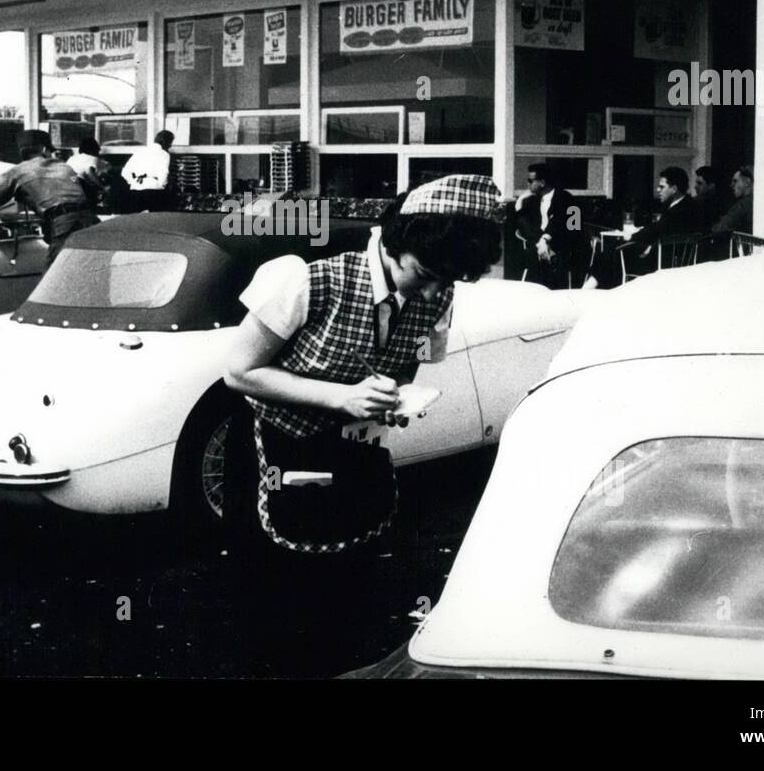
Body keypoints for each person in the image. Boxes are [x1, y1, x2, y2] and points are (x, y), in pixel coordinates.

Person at [222, 175, 501, 567]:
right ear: (395, 244)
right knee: (278, 583)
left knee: (352, 567)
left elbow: (406, 364)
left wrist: (393, 397)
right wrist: (342, 397)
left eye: (448, 280)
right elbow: (238, 372)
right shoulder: (308, 279)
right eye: (422, 275)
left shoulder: (438, 295)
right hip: (276, 445)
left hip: (356, 450)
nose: (432, 294)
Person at [0, 129, 97, 265]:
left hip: (64, 227)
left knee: (52, 287)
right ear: (43, 149)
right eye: (50, 150)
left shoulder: (16, 173)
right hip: (92, 223)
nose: (52, 154)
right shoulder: (64, 167)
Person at [585, 167, 699, 287]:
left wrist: (631, 236)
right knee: (614, 255)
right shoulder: (688, 205)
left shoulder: (676, 211)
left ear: (674, 189)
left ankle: (588, 289)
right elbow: (659, 228)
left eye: (662, 187)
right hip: (678, 261)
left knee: (612, 251)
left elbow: (655, 230)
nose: (657, 190)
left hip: (661, 262)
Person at [511, 162, 582, 289]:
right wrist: (520, 199)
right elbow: (518, 220)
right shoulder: (533, 200)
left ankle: (546, 253)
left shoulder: (564, 197)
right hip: (540, 244)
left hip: (561, 244)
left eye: (530, 180)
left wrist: (545, 239)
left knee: (531, 253)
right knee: (523, 221)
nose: (527, 184)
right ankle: (545, 253)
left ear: (542, 183)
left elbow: (566, 224)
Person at [120, 130, 174, 211]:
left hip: (136, 189)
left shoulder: (139, 151)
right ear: (168, 142)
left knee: (137, 221)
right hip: (154, 191)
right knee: (155, 221)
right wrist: (161, 185)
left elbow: (124, 172)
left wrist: (133, 181)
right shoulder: (164, 154)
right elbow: (163, 174)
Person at [711, 165, 754, 234]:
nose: (731, 185)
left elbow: (718, 228)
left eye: (735, 181)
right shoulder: (755, 202)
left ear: (747, 182)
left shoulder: (742, 205)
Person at [692, 166, 730, 230]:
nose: (695, 187)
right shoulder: (694, 202)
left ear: (711, 186)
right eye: (696, 183)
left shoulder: (719, 206)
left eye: (699, 183)